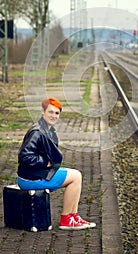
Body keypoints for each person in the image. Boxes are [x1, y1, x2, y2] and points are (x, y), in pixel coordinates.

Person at [17, 97, 96, 230]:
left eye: (57, 113)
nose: (54, 116)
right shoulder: (37, 132)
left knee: (76, 175)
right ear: (43, 112)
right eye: (50, 112)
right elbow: (24, 155)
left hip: (35, 174)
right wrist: (44, 162)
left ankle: (73, 216)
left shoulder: (47, 129)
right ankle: (67, 218)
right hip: (31, 179)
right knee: (75, 177)